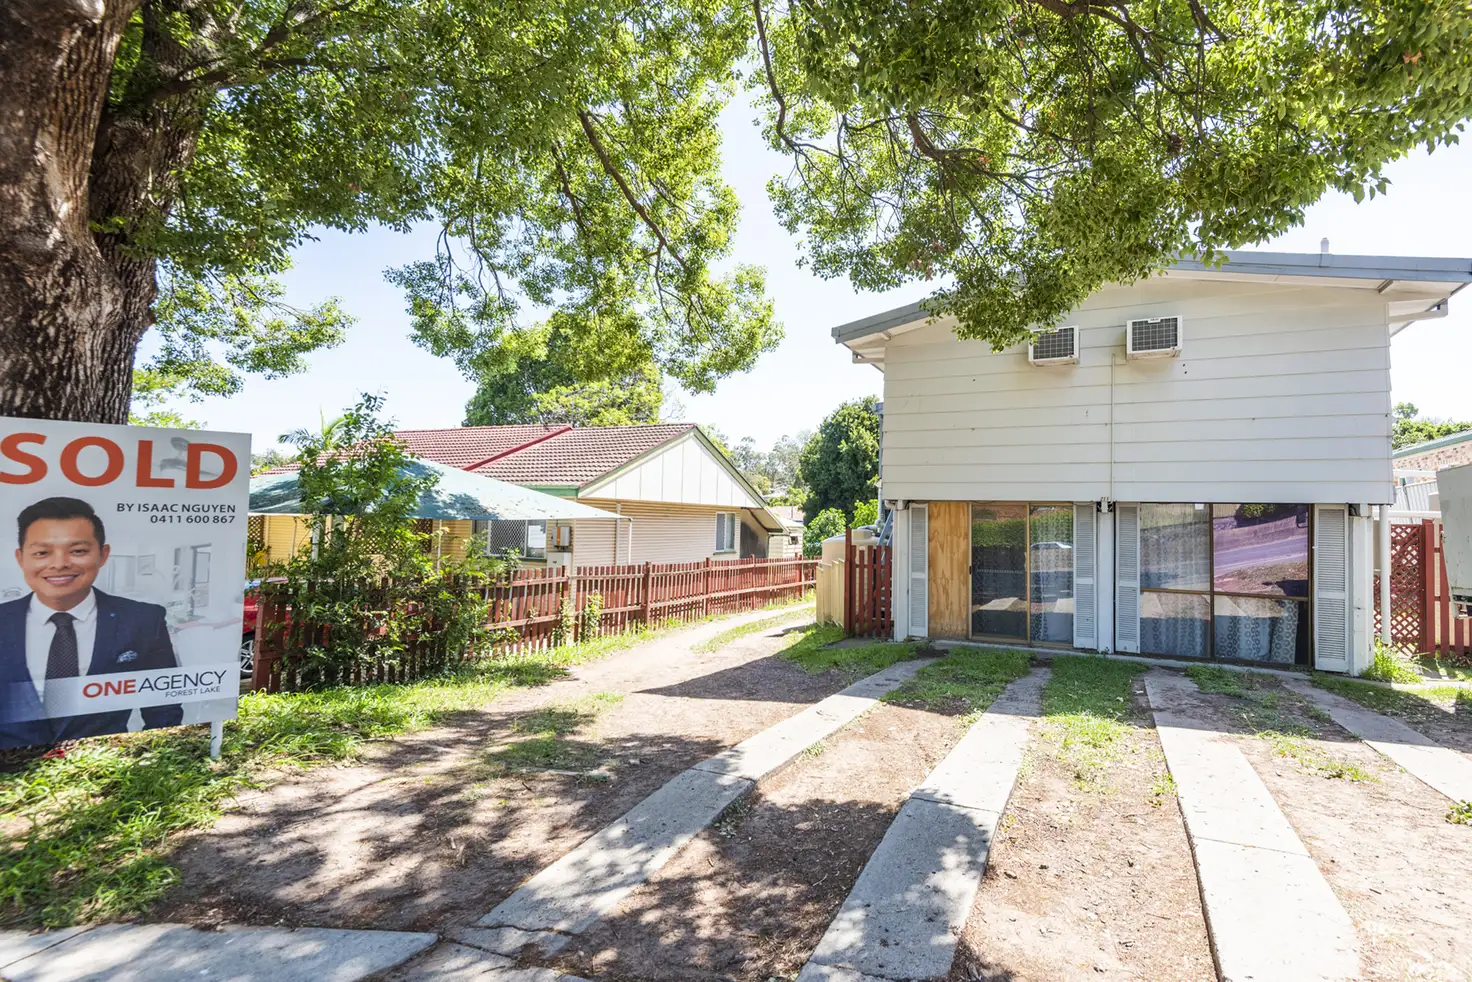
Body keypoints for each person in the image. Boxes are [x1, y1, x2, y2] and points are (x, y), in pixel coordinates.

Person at [0, 497, 182, 748]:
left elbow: (163, 705)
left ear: (102, 554)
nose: (60, 563)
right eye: (42, 552)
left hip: (104, 771)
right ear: (21, 558)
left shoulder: (142, 620)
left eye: (78, 551)